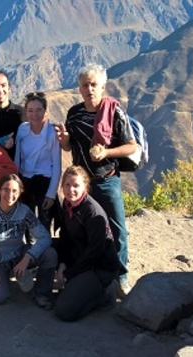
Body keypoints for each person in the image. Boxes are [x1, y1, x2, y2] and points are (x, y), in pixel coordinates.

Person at [55, 63, 136, 297]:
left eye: (94, 85)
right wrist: (64, 140)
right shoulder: (74, 113)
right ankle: (86, 270)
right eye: (85, 85)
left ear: (102, 87)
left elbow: (132, 146)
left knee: (117, 228)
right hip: (81, 185)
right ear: (79, 89)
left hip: (106, 180)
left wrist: (106, 153)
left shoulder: (114, 112)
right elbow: (70, 147)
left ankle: (120, 277)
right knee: (79, 229)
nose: (89, 89)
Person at [0, 174, 58, 310]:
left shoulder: (24, 211)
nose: (10, 194)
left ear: (20, 192)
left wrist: (28, 258)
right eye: (6, 189)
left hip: (19, 256)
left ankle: (42, 293)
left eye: (15, 191)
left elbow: (44, 237)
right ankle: (5, 277)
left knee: (50, 254)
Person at [54, 166, 125, 322]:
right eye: (67, 185)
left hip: (99, 267)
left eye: (76, 185)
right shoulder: (68, 205)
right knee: (50, 248)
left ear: (85, 187)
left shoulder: (92, 212)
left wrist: (69, 273)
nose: (70, 190)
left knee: (64, 310)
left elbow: (95, 251)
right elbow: (65, 236)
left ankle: (104, 295)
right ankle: (76, 287)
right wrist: (62, 264)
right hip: (80, 256)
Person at [14, 92, 61, 231]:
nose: (34, 114)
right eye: (30, 110)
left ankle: (44, 252)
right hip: (25, 181)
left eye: (39, 110)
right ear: (26, 112)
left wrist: (51, 194)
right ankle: (28, 251)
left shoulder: (52, 132)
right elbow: (18, 158)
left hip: (44, 182)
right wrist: (16, 184)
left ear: (45, 111)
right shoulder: (22, 129)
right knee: (27, 224)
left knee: (43, 226)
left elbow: (57, 164)